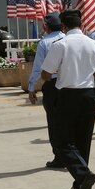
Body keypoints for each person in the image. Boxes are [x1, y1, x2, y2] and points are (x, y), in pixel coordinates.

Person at [40, 9, 95, 189]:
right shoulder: (94, 44)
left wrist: (63, 71)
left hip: (67, 95)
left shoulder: (59, 45)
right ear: (82, 25)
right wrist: (86, 73)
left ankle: (83, 174)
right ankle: (79, 184)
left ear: (63, 26)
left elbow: (45, 74)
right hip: (88, 95)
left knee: (62, 142)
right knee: (83, 140)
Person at [28, 12, 65, 168]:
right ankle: (73, 155)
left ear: (46, 27)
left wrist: (31, 88)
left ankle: (59, 156)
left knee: (54, 122)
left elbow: (38, 68)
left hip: (52, 85)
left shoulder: (45, 43)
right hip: (72, 85)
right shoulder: (69, 39)